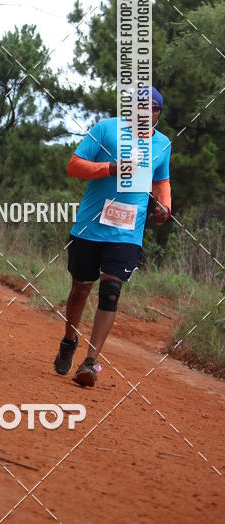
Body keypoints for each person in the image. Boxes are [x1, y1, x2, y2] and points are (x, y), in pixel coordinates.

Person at [54, 86, 171, 386]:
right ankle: (69, 340)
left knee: (110, 292)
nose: (147, 112)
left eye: (154, 108)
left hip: (127, 231)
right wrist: (110, 168)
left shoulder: (162, 144)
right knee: (80, 288)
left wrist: (164, 205)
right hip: (90, 227)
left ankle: (90, 362)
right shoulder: (107, 129)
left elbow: (162, 181)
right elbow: (73, 166)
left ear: (158, 113)